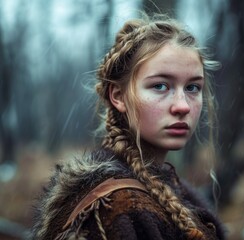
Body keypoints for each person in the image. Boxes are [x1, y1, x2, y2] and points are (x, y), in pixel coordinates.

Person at [30, 14, 225, 240]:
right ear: (118, 96)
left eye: (192, 87)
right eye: (160, 86)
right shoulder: (114, 208)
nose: (182, 106)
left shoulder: (178, 194)